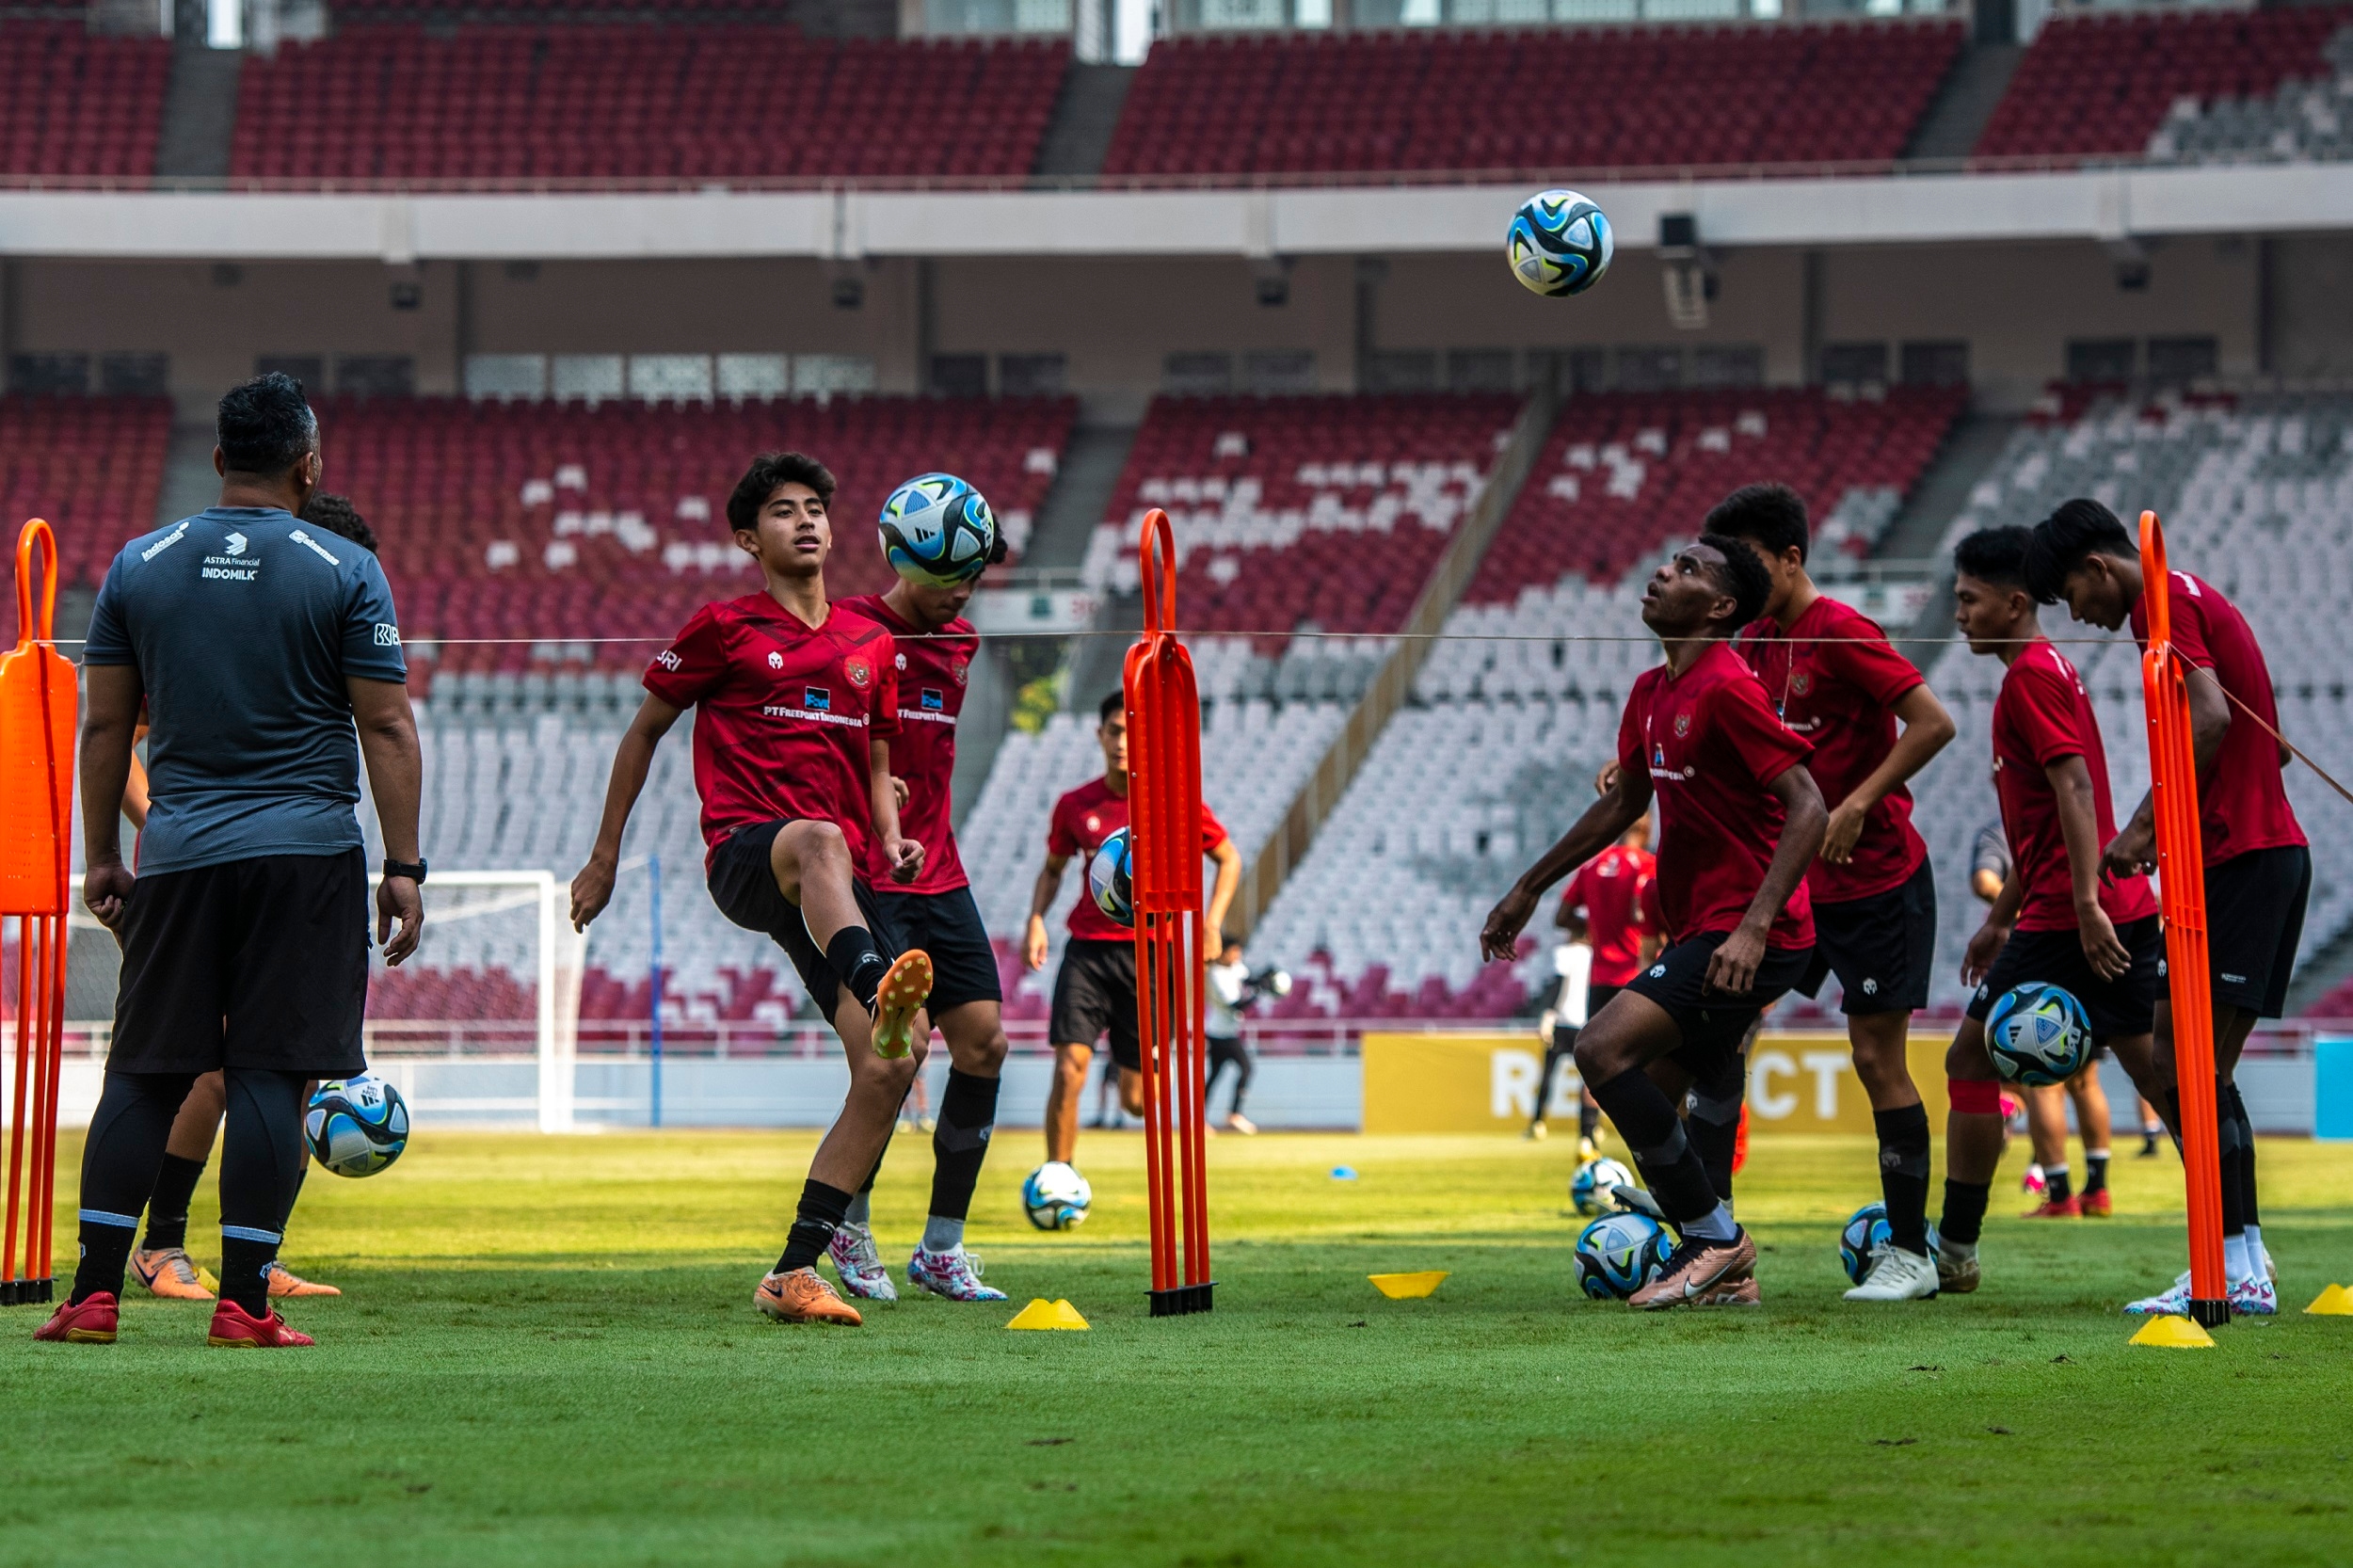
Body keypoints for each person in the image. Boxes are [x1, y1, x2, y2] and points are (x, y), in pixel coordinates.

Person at [39, 376, 425, 1349]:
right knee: (269, 1076)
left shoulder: (139, 564)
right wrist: (405, 867)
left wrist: (102, 854)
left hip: (177, 854)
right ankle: (244, 1304)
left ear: (217, 459)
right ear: (311, 466)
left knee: (143, 1073)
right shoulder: (345, 568)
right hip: (304, 857)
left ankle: (92, 1296)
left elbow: (103, 727)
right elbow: (386, 725)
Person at [568, 451, 935, 1330]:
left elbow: (877, 756)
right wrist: (605, 857)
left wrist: (891, 835)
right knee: (818, 838)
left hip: (834, 879)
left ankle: (794, 1271)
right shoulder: (724, 628)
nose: (805, 520)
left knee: (895, 1061)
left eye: (815, 508)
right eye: (782, 511)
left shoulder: (871, 643)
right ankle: (873, 982)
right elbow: (643, 732)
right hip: (747, 853)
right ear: (748, 539)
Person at [1481, 537, 1826, 1311]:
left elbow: (1810, 806)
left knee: (1600, 1049)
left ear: (1720, 608)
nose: (1665, 571)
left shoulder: (1729, 689)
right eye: (1671, 562)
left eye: (1689, 569)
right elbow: (1624, 804)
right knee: (1682, 1083)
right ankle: (1727, 1267)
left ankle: (1712, 1238)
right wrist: (1529, 887)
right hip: (1703, 927)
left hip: (1755, 933)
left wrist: (1753, 928)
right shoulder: (1649, 690)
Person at [2025, 498, 2305, 1316]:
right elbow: (2265, 739)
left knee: (2187, 1067)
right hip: (2241, 855)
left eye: (2072, 596)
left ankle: (2236, 1264)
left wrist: (2144, 826)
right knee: (2184, 1066)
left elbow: (2211, 717)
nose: (2079, 616)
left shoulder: (2163, 603)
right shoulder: (2184, 597)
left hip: (2245, 858)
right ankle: (2239, 1257)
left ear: (2099, 567)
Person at [127, 491, 382, 1304]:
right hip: (201, 870)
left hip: (292, 869)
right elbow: (119, 737)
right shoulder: (211, 621)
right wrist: (164, 823)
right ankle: (159, 1246)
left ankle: (257, 1259)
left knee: (295, 1073)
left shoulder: (319, 627)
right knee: (209, 1068)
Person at [1707, 484, 1958, 1304]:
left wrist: (1857, 802)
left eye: (1748, 561)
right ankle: (1710, 1238)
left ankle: (1912, 1254)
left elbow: (1934, 722)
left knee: (1876, 1059)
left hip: (1878, 878)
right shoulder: (1753, 640)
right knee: (1720, 1029)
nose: (1736, 580)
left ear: (1790, 558)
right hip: (1794, 886)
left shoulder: (1844, 630)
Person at [1931, 525, 2162, 1300]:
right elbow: (2041, 823)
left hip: (2075, 916)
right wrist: (2003, 917)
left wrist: (2086, 904)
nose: (1959, 614)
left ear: (2014, 602)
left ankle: (1955, 1250)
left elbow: (2075, 790)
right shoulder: (2046, 668)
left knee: (1969, 1062)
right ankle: (2238, 1239)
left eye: (1969, 599)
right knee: (2160, 1077)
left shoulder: (2030, 677)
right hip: (2083, 908)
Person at [829, 564, 1010, 1304]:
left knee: (985, 1044)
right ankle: (849, 1227)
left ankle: (941, 1249)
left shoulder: (961, 643)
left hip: (941, 870)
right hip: (870, 871)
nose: (962, 594)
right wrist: (868, 787)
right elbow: (814, 734)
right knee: (898, 1052)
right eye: (948, 579)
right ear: (906, 564)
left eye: (972, 578)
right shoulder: (847, 628)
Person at [1024, 693, 1242, 1175]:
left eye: (1133, 733)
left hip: (1152, 958)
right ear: (1100, 735)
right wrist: (1036, 918)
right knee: (1069, 1066)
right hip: (1088, 952)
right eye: (1115, 731)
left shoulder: (1174, 803)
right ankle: (1058, 1178)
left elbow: (1229, 858)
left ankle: (1155, 1069)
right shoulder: (1075, 805)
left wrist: (1211, 924)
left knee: (1138, 1101)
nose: (1123, 742)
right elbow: (1053, 870)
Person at [1528, 813, 1656, 1157]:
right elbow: (1643, 912)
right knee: (1649, 1060)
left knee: (1599, 1061)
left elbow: (1561, 917)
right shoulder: (1647, 866)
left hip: (1599, 979)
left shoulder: (1591, 866)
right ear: (1647, 829)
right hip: (1637, 976)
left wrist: (1595, 929)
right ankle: (1652, 1139)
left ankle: (1587, 1136)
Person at [1206, 943, 1283, 1135]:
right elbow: (1235, 1005)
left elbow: (1248, 980)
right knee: (1245, 1068)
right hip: (1219, 1033)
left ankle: (1200, 1118)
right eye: (1234, 952)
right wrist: (1259, 992)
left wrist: (1264, 978)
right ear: (1224, 953)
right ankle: (1233, 1114)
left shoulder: (1236, 968)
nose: (1237, 956)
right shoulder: (1215, 974)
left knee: (1215, 1075)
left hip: (1228, 1032)